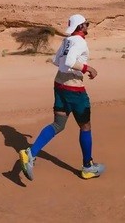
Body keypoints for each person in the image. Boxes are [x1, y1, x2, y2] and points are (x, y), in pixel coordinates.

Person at [19, 14, 105, 180]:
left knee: (58, 124)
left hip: (59, 85)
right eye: (86, 23)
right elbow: (69, 61)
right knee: (85, 126)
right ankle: (88, 167)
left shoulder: (66, 41)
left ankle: (30, 153)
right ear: (81, 26)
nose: (88, 26)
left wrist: (71, 66)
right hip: (74, 89)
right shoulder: (79, 41)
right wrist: (88, 68)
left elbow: (56, 61)